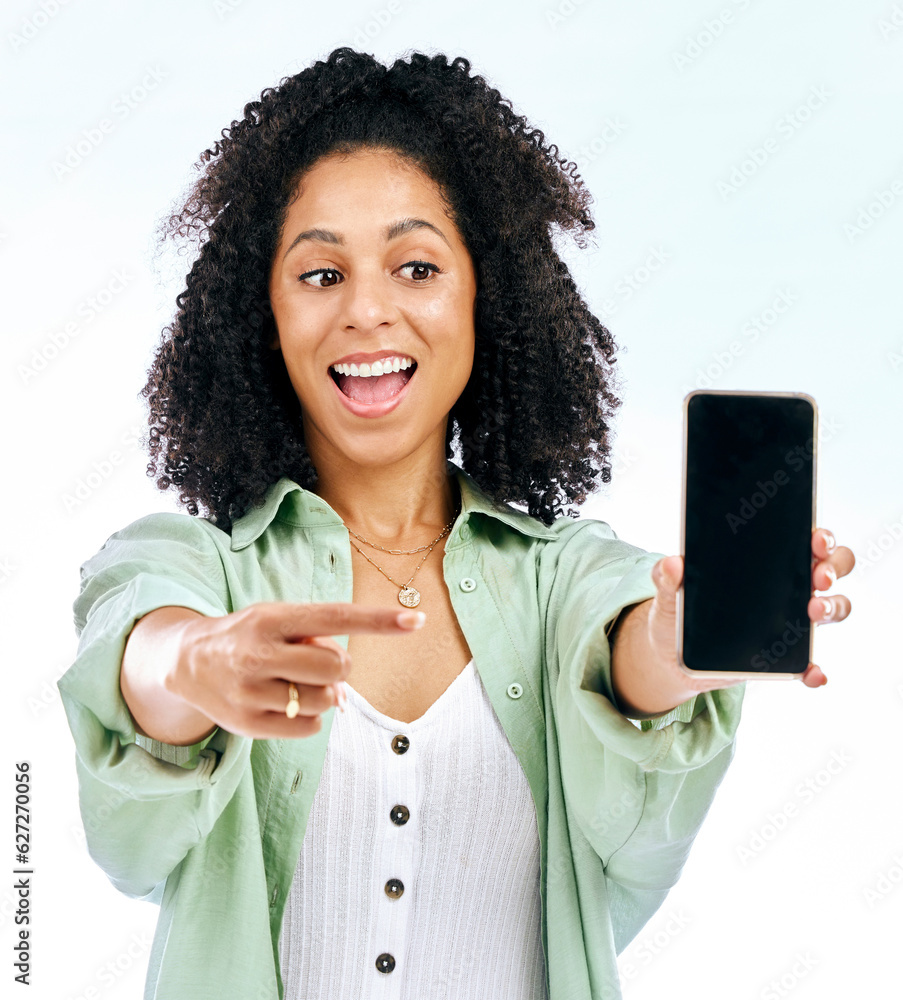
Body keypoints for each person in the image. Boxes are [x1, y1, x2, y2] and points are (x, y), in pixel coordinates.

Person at [57, 46, 854, 1000]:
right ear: (260, 312)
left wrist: (681, 646)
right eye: (319, 275)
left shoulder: (561, 576)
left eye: (416, 266)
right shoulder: (198, 564)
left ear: (488, 296)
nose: (366, 311)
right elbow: (142, 643)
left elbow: (621, 643)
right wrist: (195, 665)